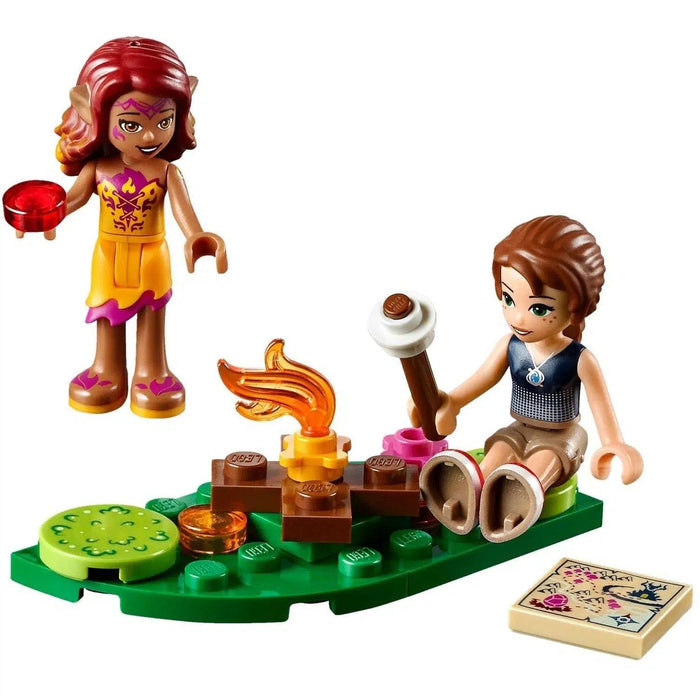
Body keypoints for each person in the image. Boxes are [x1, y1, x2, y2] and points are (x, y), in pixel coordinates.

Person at [414, 215, 642, 542]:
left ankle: (516, 503)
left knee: (537, 467)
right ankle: (464, 497)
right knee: (494, 458)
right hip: (518, 429)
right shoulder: (511, 345)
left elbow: (599, 403)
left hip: (562, 437)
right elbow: (482, 378)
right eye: (508, 300)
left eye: (538, 309)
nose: (518, 317)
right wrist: (451, 402)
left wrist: (613, 443)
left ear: (576, 307)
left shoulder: (579, 358)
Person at [50, 37, 227, 417]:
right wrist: (44, 214)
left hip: (152, 252)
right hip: (108, 252)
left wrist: (197, 236)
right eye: (131, 124)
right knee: (105, 309)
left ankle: (152, 371)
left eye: (163, 122)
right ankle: (106, 368)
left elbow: (183, 210)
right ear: (93, 115)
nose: (149, 136)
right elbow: (73, 199)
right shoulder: (97, 168)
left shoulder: (166, 171)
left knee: (152, 311)